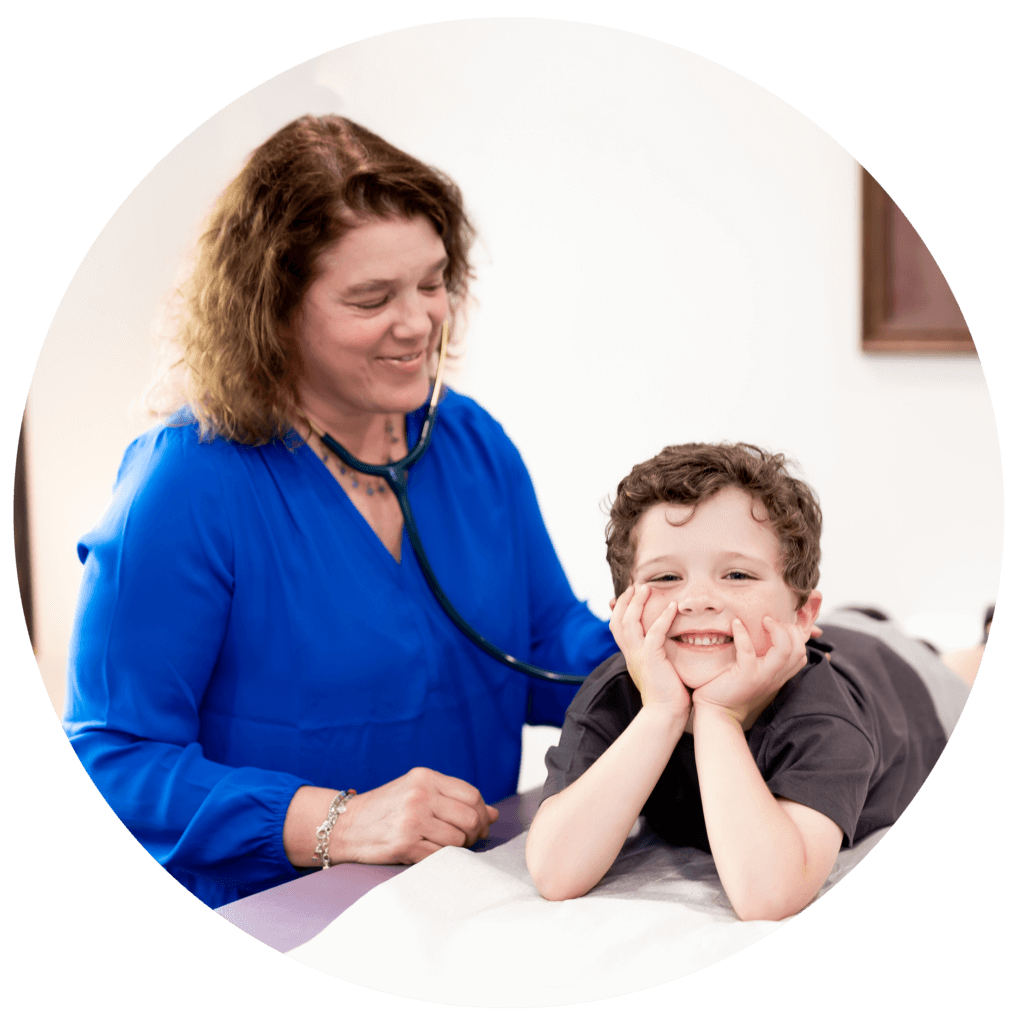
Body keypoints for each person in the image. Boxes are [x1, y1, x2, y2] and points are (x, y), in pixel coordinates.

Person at [64, 115, 619, 909]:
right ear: (274, 310)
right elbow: (112, 760)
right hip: (276, 915)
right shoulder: (187, 483)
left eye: (432, 283)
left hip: (470, 902)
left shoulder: (468, 441)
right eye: (371, 298)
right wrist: (339, 823)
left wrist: (669, 644)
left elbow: (539, 651)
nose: (420, 321)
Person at [525, 443, 950, 920]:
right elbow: (555, 872)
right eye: (665, 576)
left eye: (737, 574)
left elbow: (769, 896)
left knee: (954, 660)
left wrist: (718, 715)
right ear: (623, 612)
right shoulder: (614, 693)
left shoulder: (824, 715)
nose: (698, 599)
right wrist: (662, 712)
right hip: (814, 637)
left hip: (901, 679)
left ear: (803, 613)